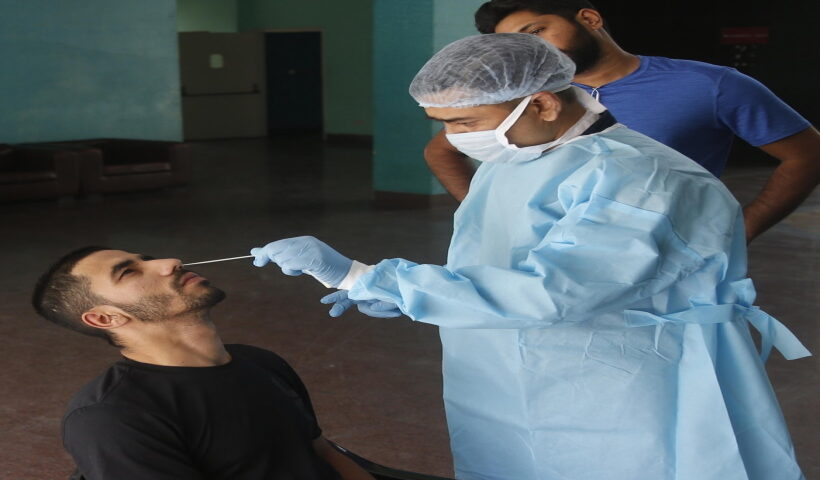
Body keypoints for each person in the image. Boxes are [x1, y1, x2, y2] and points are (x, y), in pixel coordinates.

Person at [251, 34, 811, 480]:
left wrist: (368, 277)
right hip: (517, 365)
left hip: (628, 378)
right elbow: (500, 263)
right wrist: (410, 294)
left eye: (463, 123)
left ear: (540, 102)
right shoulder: (517, 159)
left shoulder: (640, 177)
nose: (456, 138)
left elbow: (558, 289)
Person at [423, 0, 820, 243]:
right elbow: (443, 151)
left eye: (537, 31)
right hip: (548, 262)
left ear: (589, 18)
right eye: (520, 44)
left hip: (669, 256)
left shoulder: (708, 85)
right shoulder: (521, 100)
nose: (536, 50)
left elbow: (807, 154)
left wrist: (743, 229)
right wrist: (484, 209)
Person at [31, 246, 374, 480]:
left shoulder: (261, 362)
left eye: (146, 258)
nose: (169, 262)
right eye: (129, 272)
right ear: (105, 318)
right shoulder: (111, 417)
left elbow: (322, 453)